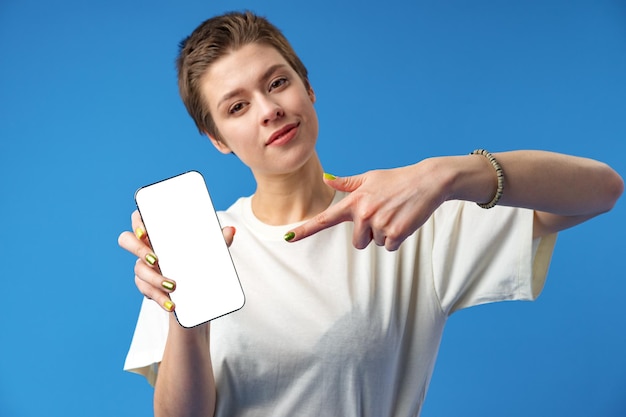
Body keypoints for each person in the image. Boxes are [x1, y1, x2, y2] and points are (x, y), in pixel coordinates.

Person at [118, 10, 624, 417]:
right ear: (217, 140)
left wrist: (448, 174)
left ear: (308, 88)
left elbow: (602, 189)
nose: (268, 109)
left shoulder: (408, 218)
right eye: (236, 107)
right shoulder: (193, 252)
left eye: (276, 82)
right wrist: (186, 316)